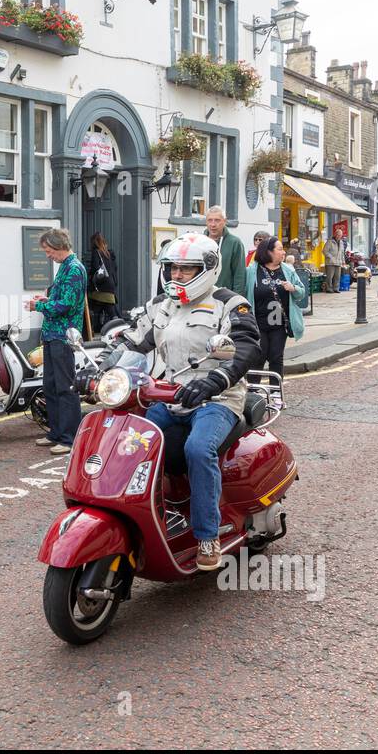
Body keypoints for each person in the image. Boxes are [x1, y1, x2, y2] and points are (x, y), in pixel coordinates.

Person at [122, 234, 262, 571]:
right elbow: (134, 343)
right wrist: (103, 370)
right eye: (172, 268)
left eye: (187, 268)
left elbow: (246, 347)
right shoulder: (160, 305)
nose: (177, 275)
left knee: (198, 449)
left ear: (208, 269)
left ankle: (207, 535)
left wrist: (215, 380)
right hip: (170, 396)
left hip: (217, 399)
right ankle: (146, 515)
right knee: (128, 443)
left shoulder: (230, 304)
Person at [25, 228, 86, 455]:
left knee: (65, 387)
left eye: (49, 250)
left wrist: (38, 306)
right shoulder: (65, 267)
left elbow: (66, 306)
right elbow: (60, 300)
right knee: (49, 386)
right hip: (52, 334)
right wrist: (47, 299)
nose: (48, 255)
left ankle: (69, 438)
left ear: (59, 246)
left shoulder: (74, 269)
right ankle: (56, 432)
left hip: (63, 336)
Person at [245, 236, 306, 404]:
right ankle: (252, 394)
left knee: (276, 357)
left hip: (280, 324)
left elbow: (302, 292)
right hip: (258, 324)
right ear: (269, 252)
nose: (283, 251)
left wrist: (293, 288)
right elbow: (243, 294)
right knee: (258, 356)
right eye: (279, 249)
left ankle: (276, 395)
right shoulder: (252, 271)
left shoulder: (288, 270)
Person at [204, 206, 247, 297]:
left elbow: (239, 275)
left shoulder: (234, 243)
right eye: (210, 220)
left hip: (224, 297)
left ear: (224, 221)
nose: (213, 224)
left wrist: (236, 299)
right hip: (201, 295)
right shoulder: (199, 241)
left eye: (217, 220)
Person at [86, 231, 120, 334]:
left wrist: (89, 274)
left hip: (101, 285)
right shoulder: (108, 253)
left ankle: (117, 326)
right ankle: (97, 327)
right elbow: (115, 268)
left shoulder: (96, 252)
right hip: (110, 284)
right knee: (103, 305)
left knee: (103, 305)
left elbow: (96, 267)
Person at [322, 227, 345, 293]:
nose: (339, 236)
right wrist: (331, 257)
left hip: (338, 262)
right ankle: (329, 288)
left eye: (340, 235)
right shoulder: (329, 242)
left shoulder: (341, 242)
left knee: (337, 277)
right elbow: (324, 251)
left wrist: (343, 261)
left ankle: (336, 288)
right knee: (329, 277)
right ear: (335, 234)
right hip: (330, 263)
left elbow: (342, 253)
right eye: (338, 235)